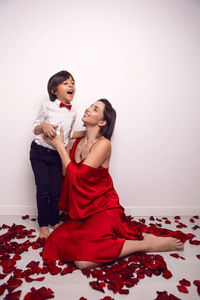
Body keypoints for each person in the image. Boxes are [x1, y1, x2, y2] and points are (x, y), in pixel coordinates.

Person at [42, 99, 184, 269]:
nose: (88, 108)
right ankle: (117, 241)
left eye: (95, 109)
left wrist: (59, 146)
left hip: (104, 209)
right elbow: (66, 174)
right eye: (90, 106)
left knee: (83, 261)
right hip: (84, 212)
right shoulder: (79, 142)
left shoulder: (104, 144)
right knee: (57, 240)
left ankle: (146, 244)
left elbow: (78, 177)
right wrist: (66, 141)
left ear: (102, 122)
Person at [30, 70, 84, 239]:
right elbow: (35, 127)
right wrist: (44, 125)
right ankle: (44, 224)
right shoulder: (47, 106)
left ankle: (54, 220)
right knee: (43, 189)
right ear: (54, 90)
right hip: (39, 151)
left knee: (56, 191)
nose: (71, 86)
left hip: (55, 156)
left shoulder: (73, 113)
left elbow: (67, 137)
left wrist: (88, 131)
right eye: (66, 83)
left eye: (73, 83)